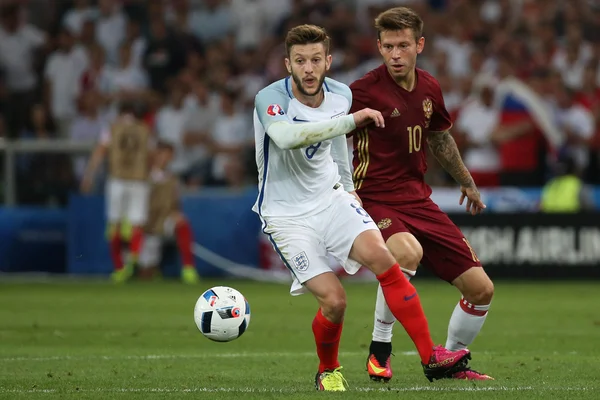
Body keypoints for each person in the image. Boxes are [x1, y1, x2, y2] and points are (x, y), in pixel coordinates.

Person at [253, 24, 471, 392]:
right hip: (287, 215)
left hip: (331, 198)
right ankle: (328, 369)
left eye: (316, 60)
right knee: (335, 301)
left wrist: (349, 187)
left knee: (386, 261)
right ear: (287, 64)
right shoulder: (270, 98)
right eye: (300, 61)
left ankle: (429, 356)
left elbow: (339, 142)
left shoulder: (339, 94)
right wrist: (353, 120)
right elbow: (286, 138)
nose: (308, 68)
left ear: (328, 62)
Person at [349, 7, 494, 382]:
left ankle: (450, 362)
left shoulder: (430, 86)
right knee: (406, 251)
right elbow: (331, 133)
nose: (395, 54)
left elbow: (439, 136)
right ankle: (379, 351)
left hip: (418, 198)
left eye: (403, 45)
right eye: (388, 46)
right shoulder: (363, 90)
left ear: (420, 45)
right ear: (379, 48)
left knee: (481, 289)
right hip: (375, 197)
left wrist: (465, 180)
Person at [81, 102, 153, 283]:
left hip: (118, 180)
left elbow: (100, 151)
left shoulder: (112, 129)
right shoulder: (144, 130)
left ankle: (119, 266)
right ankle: (133, 260)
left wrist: (89, 175)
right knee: (137, 224)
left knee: (115, 223)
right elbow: (150, 155)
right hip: (139, 180)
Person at [138, 140, 201, 283]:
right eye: (163, 154)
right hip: (146, 227)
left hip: (164, 222)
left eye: (169, 155)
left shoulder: (173, 179)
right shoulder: (143, 177)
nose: (165, 159)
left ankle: (188, 268)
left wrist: (174, 212)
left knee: (181, 222)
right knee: (145, 274)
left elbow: (175, 205)